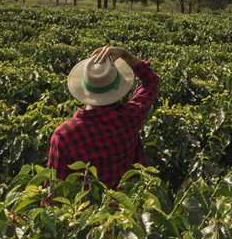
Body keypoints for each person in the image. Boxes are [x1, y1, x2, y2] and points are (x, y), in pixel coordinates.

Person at [47, 45, 160, 188]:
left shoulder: (64, 135)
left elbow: (55, 186)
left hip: (86, 209)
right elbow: (151, 82)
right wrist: (126, 55)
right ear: (118, 86)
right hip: (126, 205)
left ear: (85, 88)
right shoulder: (130, 117)